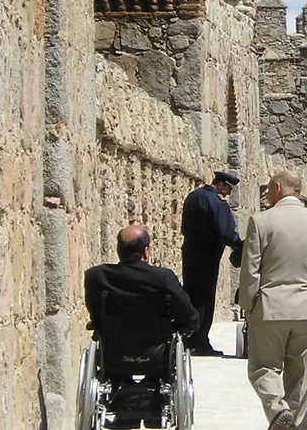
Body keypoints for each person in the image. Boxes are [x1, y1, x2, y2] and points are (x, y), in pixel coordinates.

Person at [240, 170, 307, 430]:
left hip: (270, 307)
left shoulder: (261, 222)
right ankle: (297, 426)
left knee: (263, 368)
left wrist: (248, 305)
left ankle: (277, 409)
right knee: (301, 377)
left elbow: (251, 269)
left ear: (278, 187)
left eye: (269, 188)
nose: (267, 194)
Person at [84, 226, 200, 429]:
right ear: (146, 251)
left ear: (119, 249)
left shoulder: (97, 277)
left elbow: (95, 313)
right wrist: (189, 325)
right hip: (155, 356)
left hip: (115, 354)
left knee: (112, 352)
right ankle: (153, 403)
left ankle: (123, 406)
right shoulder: (163, 278)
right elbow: (187, 312)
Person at [181, 171, 242, 356]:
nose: (229, 193)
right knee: (205, 300)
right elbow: (226, 232)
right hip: (208, 255)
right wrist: (240, 245)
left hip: (190, 251)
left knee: (190, 294)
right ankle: (200, 342)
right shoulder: (217, 202)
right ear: (221, 185)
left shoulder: (193, 196)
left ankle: (187, 339)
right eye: (228, 189)